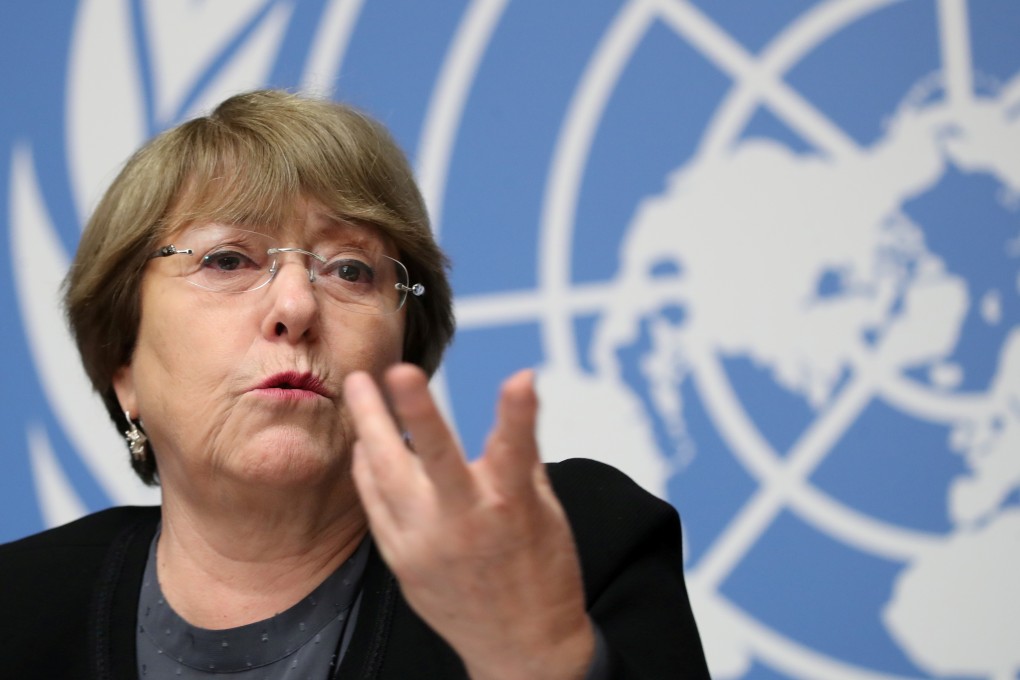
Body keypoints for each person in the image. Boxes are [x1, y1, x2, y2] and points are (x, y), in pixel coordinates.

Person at [0, 89, 709, 679]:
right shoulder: (20, 606)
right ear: (123, 367)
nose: (296, 307)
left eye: (350, 270)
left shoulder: (568, 546)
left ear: (404, 357)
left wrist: (550, 664)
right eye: (226, 259)